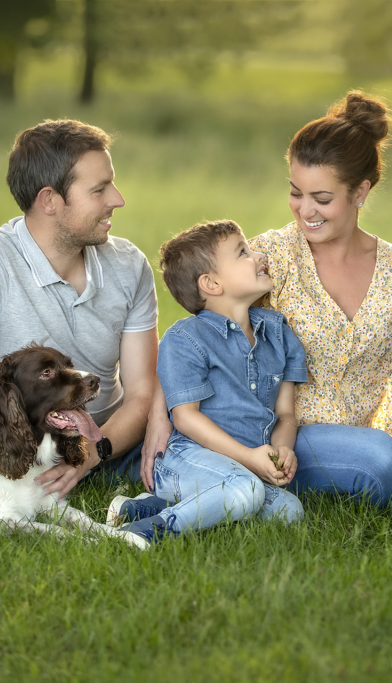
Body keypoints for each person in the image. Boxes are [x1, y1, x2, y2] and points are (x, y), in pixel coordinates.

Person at [142, 91, 392, 508]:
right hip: (263, 429)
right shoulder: (270, 259)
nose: (304, 210)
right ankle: (232, 478)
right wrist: (158, 419)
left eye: (322, 199)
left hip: (348, 436)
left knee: (388, 465)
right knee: (376, 462)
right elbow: (196, 331)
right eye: (296, 192)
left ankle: (235, 488)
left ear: (361, 192)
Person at [0, 119, 171, 528]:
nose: (118, 199)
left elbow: (143, 391)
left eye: (111, 183)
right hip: (23, 454)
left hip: (112, 442)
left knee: (212, 450)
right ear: (49, 200)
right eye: (99, 190)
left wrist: (91, 457)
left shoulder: (129, 265)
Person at [112, 220, 307, 546]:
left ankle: (140, 510)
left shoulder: (278, 334)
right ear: (212, 284)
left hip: (244, 468)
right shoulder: (186, 339)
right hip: (185, 461)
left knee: (289, 511)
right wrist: (249, 458)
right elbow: (186, 417)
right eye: (243, 252)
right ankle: (149, 531)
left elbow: (286, 414)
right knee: (246, 490)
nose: (259, 255)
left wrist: (283, 448)